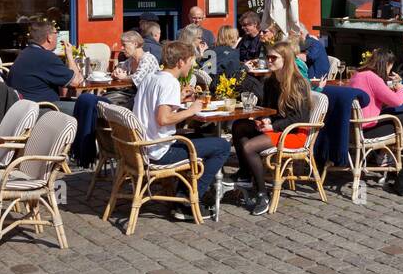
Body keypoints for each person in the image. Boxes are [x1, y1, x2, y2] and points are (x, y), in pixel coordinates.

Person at [133, 40, 231, 220]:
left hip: (143, 146)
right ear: (180, 62)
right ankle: (189, 199)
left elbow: (155, 106)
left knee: (200, 136)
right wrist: (191, 111)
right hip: (159, 151)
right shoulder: (169, 82)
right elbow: (163, 119)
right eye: (190, 61)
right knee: (222, 146)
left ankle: (181, 193)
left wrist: (178, 98)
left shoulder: (152, 77)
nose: (192, 65)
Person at [229, 43, 312, 216]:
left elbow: (301, 118)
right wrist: (264, 119)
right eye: (268, 57)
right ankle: (245, 174)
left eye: (273, 58)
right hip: (277, 127)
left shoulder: (298, 83)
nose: (269, 60)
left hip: (294, 132)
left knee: (249, 146)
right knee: (239, 126)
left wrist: (272, 125)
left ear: (286, 59)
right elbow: (269, 109)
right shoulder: (270, 81)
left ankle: (262, 194)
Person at [348, 48, 403, 158]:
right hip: (366, 130)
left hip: (351, 129)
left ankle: (384, 155)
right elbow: (397, 101)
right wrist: (400, 88)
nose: (390, 70)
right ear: (387, 64)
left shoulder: (357, 74)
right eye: (391, 66)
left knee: (391, 112)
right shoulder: (372, 78)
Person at [8, 20, 84, 112]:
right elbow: (76, 82)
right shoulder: (46, 57)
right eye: (56, 33)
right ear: (49, 37)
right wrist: (69, 55)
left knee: (83, 103)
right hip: (43, 109)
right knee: (87, 108)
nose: (58, 36)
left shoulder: (24, 53)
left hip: (24, 109)